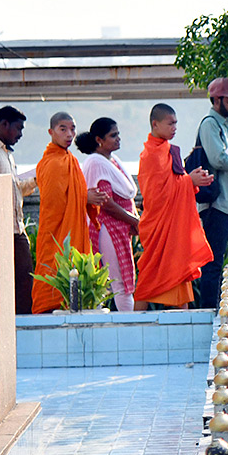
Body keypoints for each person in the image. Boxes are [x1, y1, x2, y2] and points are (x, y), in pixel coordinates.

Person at [135, 104, 215, 309]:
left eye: (176, 123)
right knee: (147, 279)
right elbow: (156, 196)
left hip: (173, 228)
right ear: (155, 124)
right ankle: (133, 325)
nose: (174, 128)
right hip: (158, 225)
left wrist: (193, 180)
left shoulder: (170, 150)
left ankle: (184, 328)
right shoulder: (151, 154)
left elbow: (175, 181)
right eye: (170, 123)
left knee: (179, 273)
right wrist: (190, 182)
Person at [31, 112, 109, 313]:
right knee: (54, 272)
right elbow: (54, 204)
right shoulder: (52, 163)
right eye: (63, 129)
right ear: (51, 132)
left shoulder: (70, 160)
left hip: (71, 229)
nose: (69, 134)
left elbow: (73, 194)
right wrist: (84, 198)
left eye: (72, 129)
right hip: (56, 233)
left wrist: (84, 196)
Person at [77, 118, 139, 311]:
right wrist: (133, 221)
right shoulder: (97, 162)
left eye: (118, 134)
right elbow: (106, 202)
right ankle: (127, 326)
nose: (118, 138)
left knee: (117, 279)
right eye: (113, 135)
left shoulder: (110, 159)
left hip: (119, 227)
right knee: (117, 279)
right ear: (99, 139)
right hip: (108, 227)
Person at [197, 77, 228, 309]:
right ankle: (209, 310)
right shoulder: (209, 123)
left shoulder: (226, 124)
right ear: (216, 100)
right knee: (213, 262)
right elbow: (219, 159)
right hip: (217, 205)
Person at [0, 106, 37, 314]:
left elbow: (15, 189)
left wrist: (37, 180)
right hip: (1, 230)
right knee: (15, 282)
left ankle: (21, 323)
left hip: (16, 228)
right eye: (18, 129)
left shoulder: (6, 153)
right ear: (4, 124)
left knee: (25, 280)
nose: (20, 135)